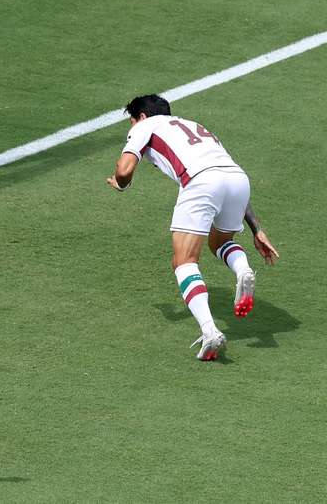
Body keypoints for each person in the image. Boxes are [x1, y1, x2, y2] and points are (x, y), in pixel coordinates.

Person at [106, 94, 279, 361]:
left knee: (184, 262)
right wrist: (256, 229)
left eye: (131, 121)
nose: (131, 128)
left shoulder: (145, 126)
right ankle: (243, 269)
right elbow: (224, 174)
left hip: (200, 181)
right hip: (238, 180)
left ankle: (210, 331)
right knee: (219, 242)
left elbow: (125, 170)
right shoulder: (196, 126)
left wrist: (121, 183)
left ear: (141, 116)